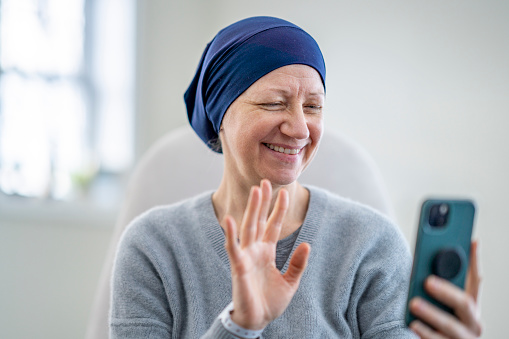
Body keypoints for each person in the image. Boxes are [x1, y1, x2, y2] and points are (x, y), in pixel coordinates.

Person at [110, 16, 482, 338]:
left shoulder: (372, 245)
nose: (301, 129)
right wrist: (239, 326)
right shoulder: (153, 247)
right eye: (274, 103)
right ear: (219, 113)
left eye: (313, 107)